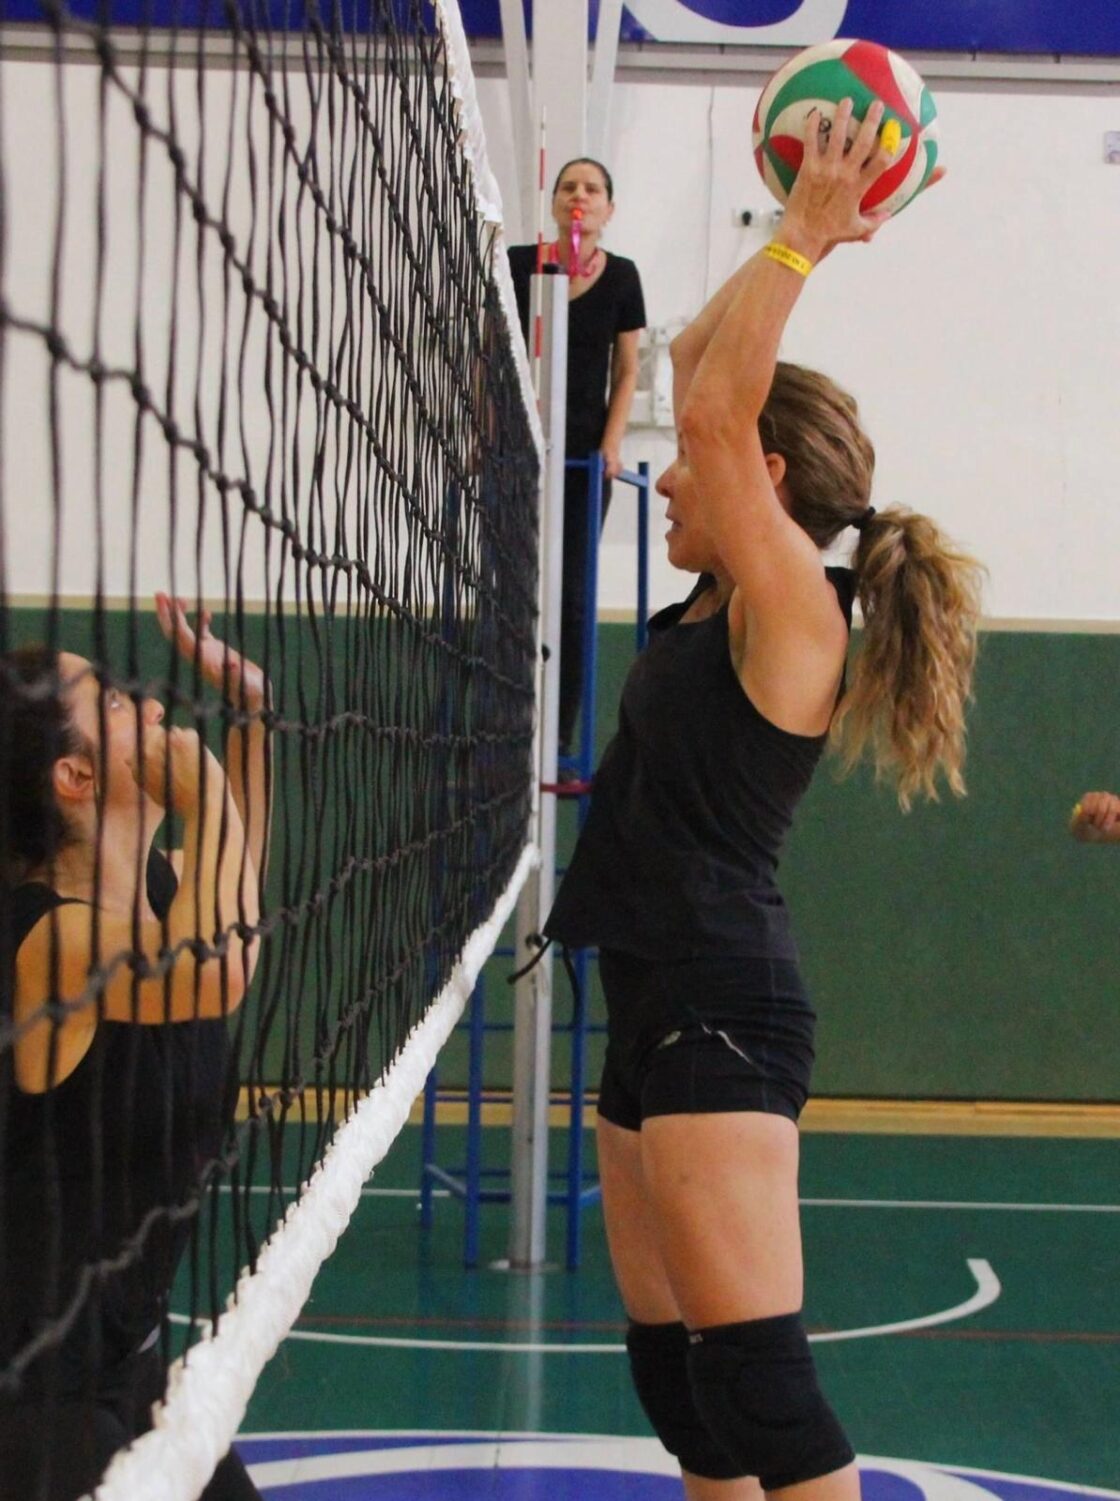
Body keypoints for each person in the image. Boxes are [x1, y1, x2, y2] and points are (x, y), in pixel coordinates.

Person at [544, 102, 982, 1500]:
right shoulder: (722, 596)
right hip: (650, 991)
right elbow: (693, 368)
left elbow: (718, 409)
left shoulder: (795, 604)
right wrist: (802, 250)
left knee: (763, 1391)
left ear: (765, 486)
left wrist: (794, 240)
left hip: (724, 997)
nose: (670, 472)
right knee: (682, 1386)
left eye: (699, 468)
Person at [0, 594, 269, 1501]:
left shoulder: (161, 892)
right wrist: (213, 795)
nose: (152, 703)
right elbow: (221, 967)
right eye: (114, 702)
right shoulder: (47, 943)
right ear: (73, 778)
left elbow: (238, 901)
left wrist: (252, 718)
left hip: (129, 1369)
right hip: (30, 1398)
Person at [507, 158, 646, 762]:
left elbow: (628, 370)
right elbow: (494, 349)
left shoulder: (622, 278)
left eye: (592, 189)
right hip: (518, 455)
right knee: (510, 592)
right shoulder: (521, 264)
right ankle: (506, 725)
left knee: (572, 597)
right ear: (554, 202)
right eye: (568, 188)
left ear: (609, 210)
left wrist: (612, 443)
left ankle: (560, 733)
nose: (579, 197)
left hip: (584, 462)